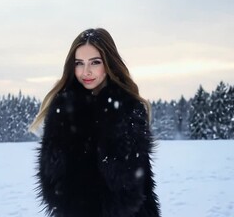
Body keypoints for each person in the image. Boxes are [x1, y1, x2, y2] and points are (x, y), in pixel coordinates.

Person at [30, 28, 160, 217]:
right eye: (79, 63)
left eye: (95, 62)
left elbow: (136, 187)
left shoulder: (127, 109)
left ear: (109, 64)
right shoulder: (63, 110)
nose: (86, 71)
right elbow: (52, 184)